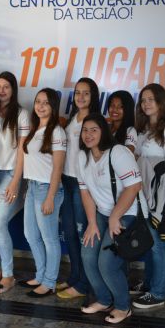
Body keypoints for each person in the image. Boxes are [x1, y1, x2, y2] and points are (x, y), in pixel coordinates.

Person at [78, 114, 143, 325]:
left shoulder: (118, 152)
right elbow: (85, 192)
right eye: (85, 130)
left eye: (94, 130)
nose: (88, 134)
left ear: (103, 132)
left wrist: (115, 217)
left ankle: (123, 306)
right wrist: (92, 223)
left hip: (125, 212)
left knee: (106, 263)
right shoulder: (82, 156)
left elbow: (134, 186)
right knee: (88, 255)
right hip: (101, 213)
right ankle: (104, 300)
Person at [133, 83, 165, 309]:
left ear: (161, 102)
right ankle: (148, 284)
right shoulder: (145, 130)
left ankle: (157, 293)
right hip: (147, 192)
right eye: (143, 100)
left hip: (164, 193)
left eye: (151, 99)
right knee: (149, 241)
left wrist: (150, 167)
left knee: (158, 244)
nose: (146, 104)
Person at [20, 88, 66, 297]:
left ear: (53, 106)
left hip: (47, 188)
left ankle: (49, 282)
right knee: (31, 234)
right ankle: (40, 275)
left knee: (49, 239)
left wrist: (50, 197)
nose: (40, 106)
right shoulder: (35, 129)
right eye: (38, 101)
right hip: (32, 187)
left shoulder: (57, 131)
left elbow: (58, 167)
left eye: (46, 102)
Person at [57, 77, 99, 299]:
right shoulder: (72, 119)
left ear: (93, 96)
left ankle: (85, 283)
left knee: (84, 235)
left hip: (84, 185)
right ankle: (75, 276)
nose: (81, 97)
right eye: (77, 92)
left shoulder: (94, 121)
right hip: (66, 181)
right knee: (70, 233)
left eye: (86, 93)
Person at [0, 71, 30, 294]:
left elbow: (23, 149)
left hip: (10, 173)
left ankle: (8, 275)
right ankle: (2, 267)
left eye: (6, 86)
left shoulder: (22, 114)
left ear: (13, 89)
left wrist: (16, 180)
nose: (2, 90)